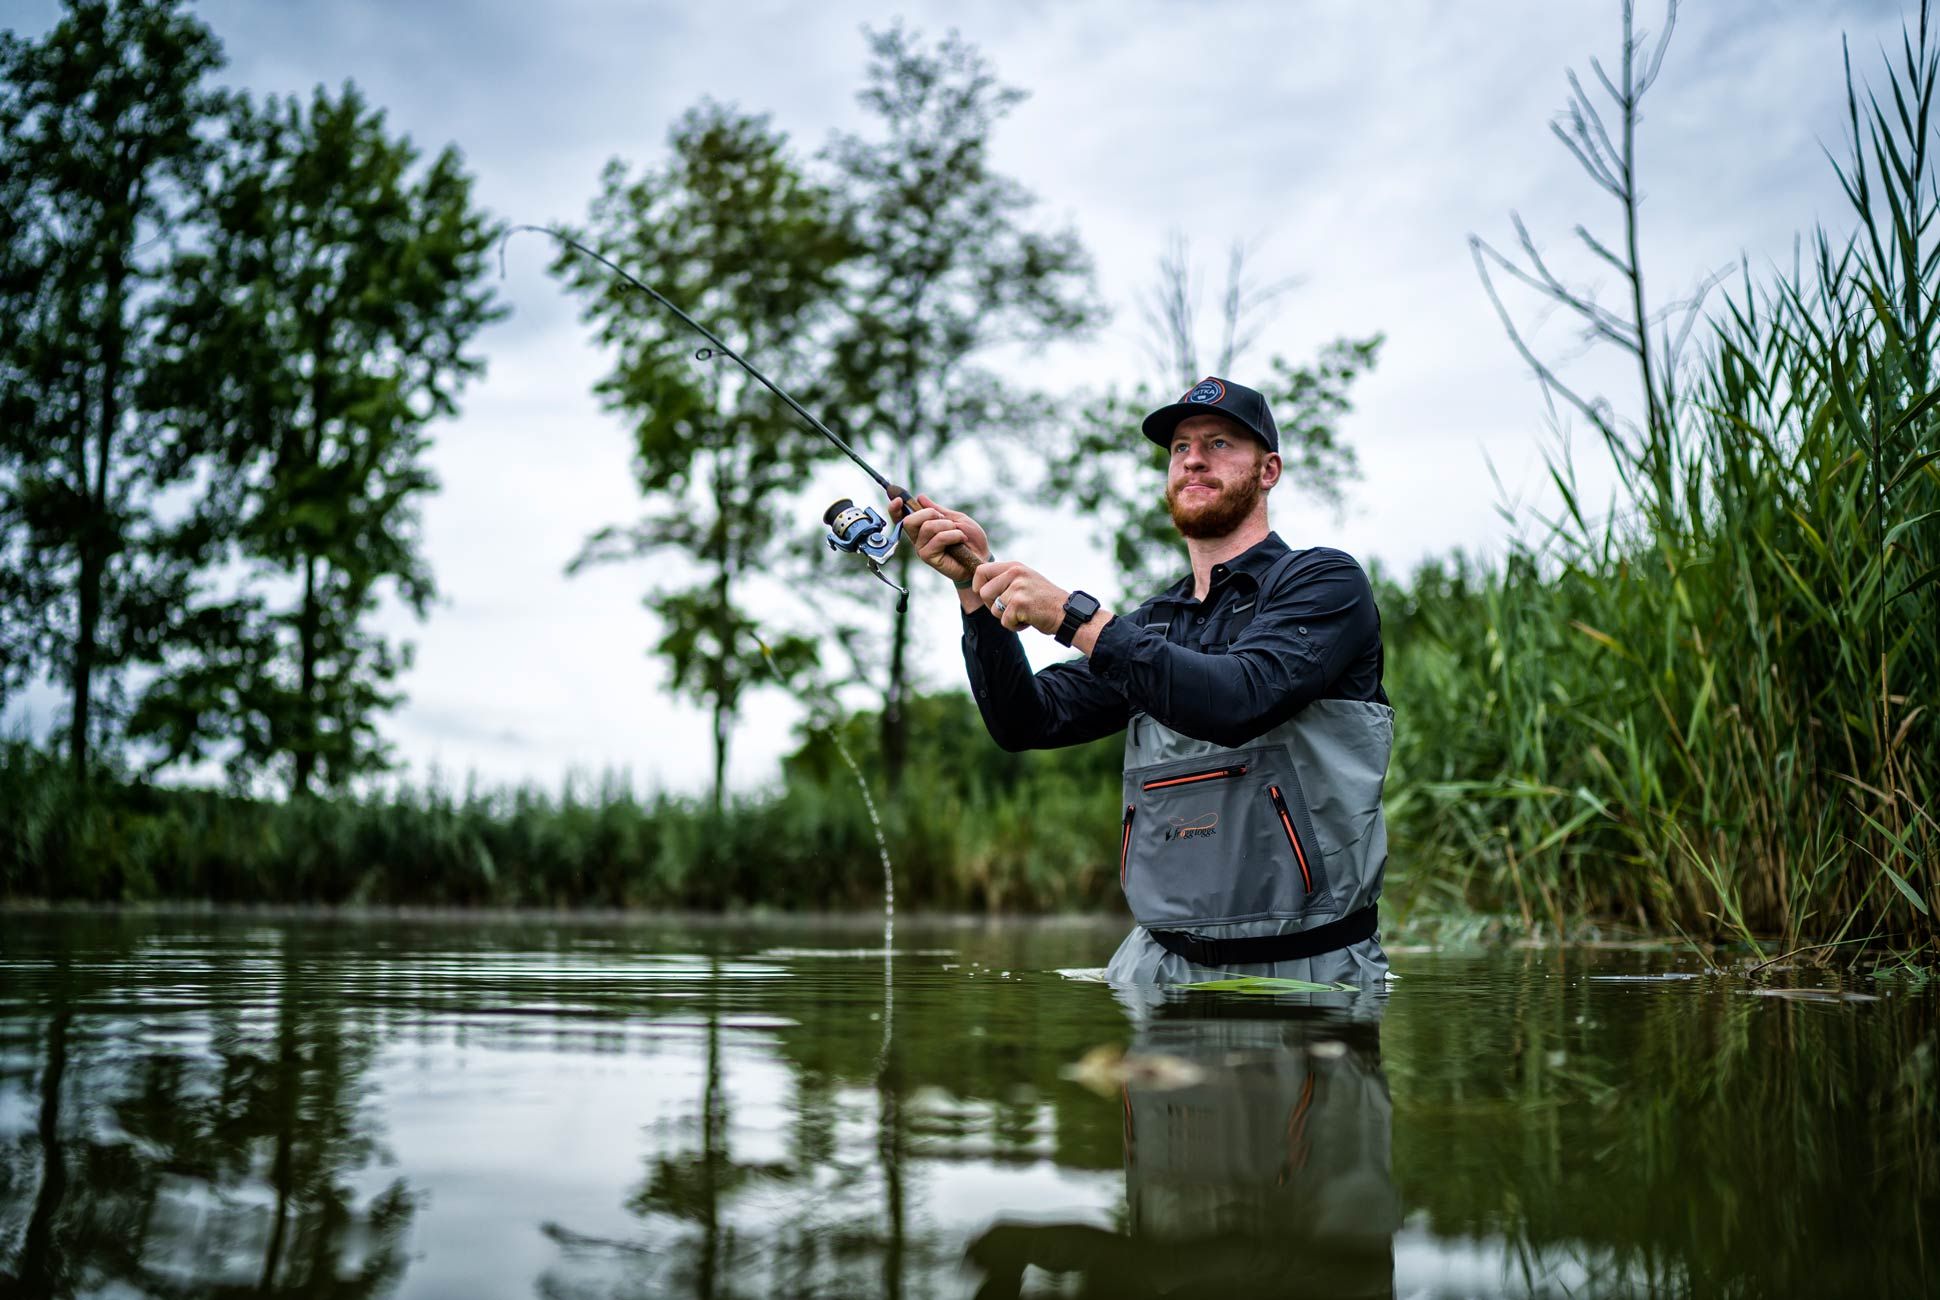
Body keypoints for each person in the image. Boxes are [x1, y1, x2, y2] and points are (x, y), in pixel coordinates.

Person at [895, 375, 1393, 985]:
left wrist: (1074, 618)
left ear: (1269, 471)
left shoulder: (1324, 583)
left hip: (1313, 970)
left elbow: (1240, 697)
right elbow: (1027, 721)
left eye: (1219, 444)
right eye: (1180, 448)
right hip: (1155, 971)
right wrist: (974, 593)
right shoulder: (1156, 623)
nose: (1194, 460)